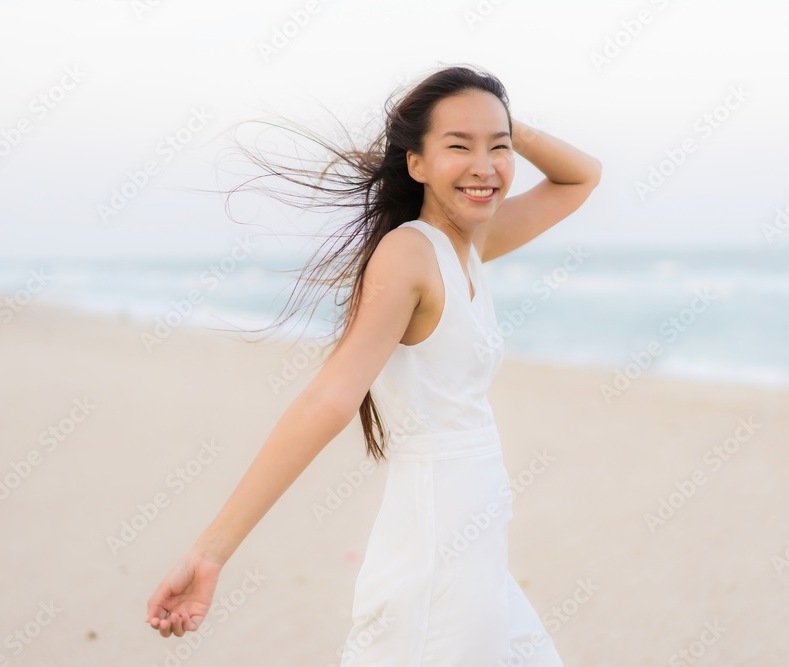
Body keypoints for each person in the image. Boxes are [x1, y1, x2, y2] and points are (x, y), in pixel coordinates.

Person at [144, 64, 601, 665]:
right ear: (416, 163)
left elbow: (581, 178)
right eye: (458, 146)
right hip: (438, 547)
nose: (485, 166)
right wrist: (211, 552)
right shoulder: (410, 253)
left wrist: (508, 126)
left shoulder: (469, 243)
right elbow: (328, 400)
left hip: (474, 540)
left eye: (499, 147)